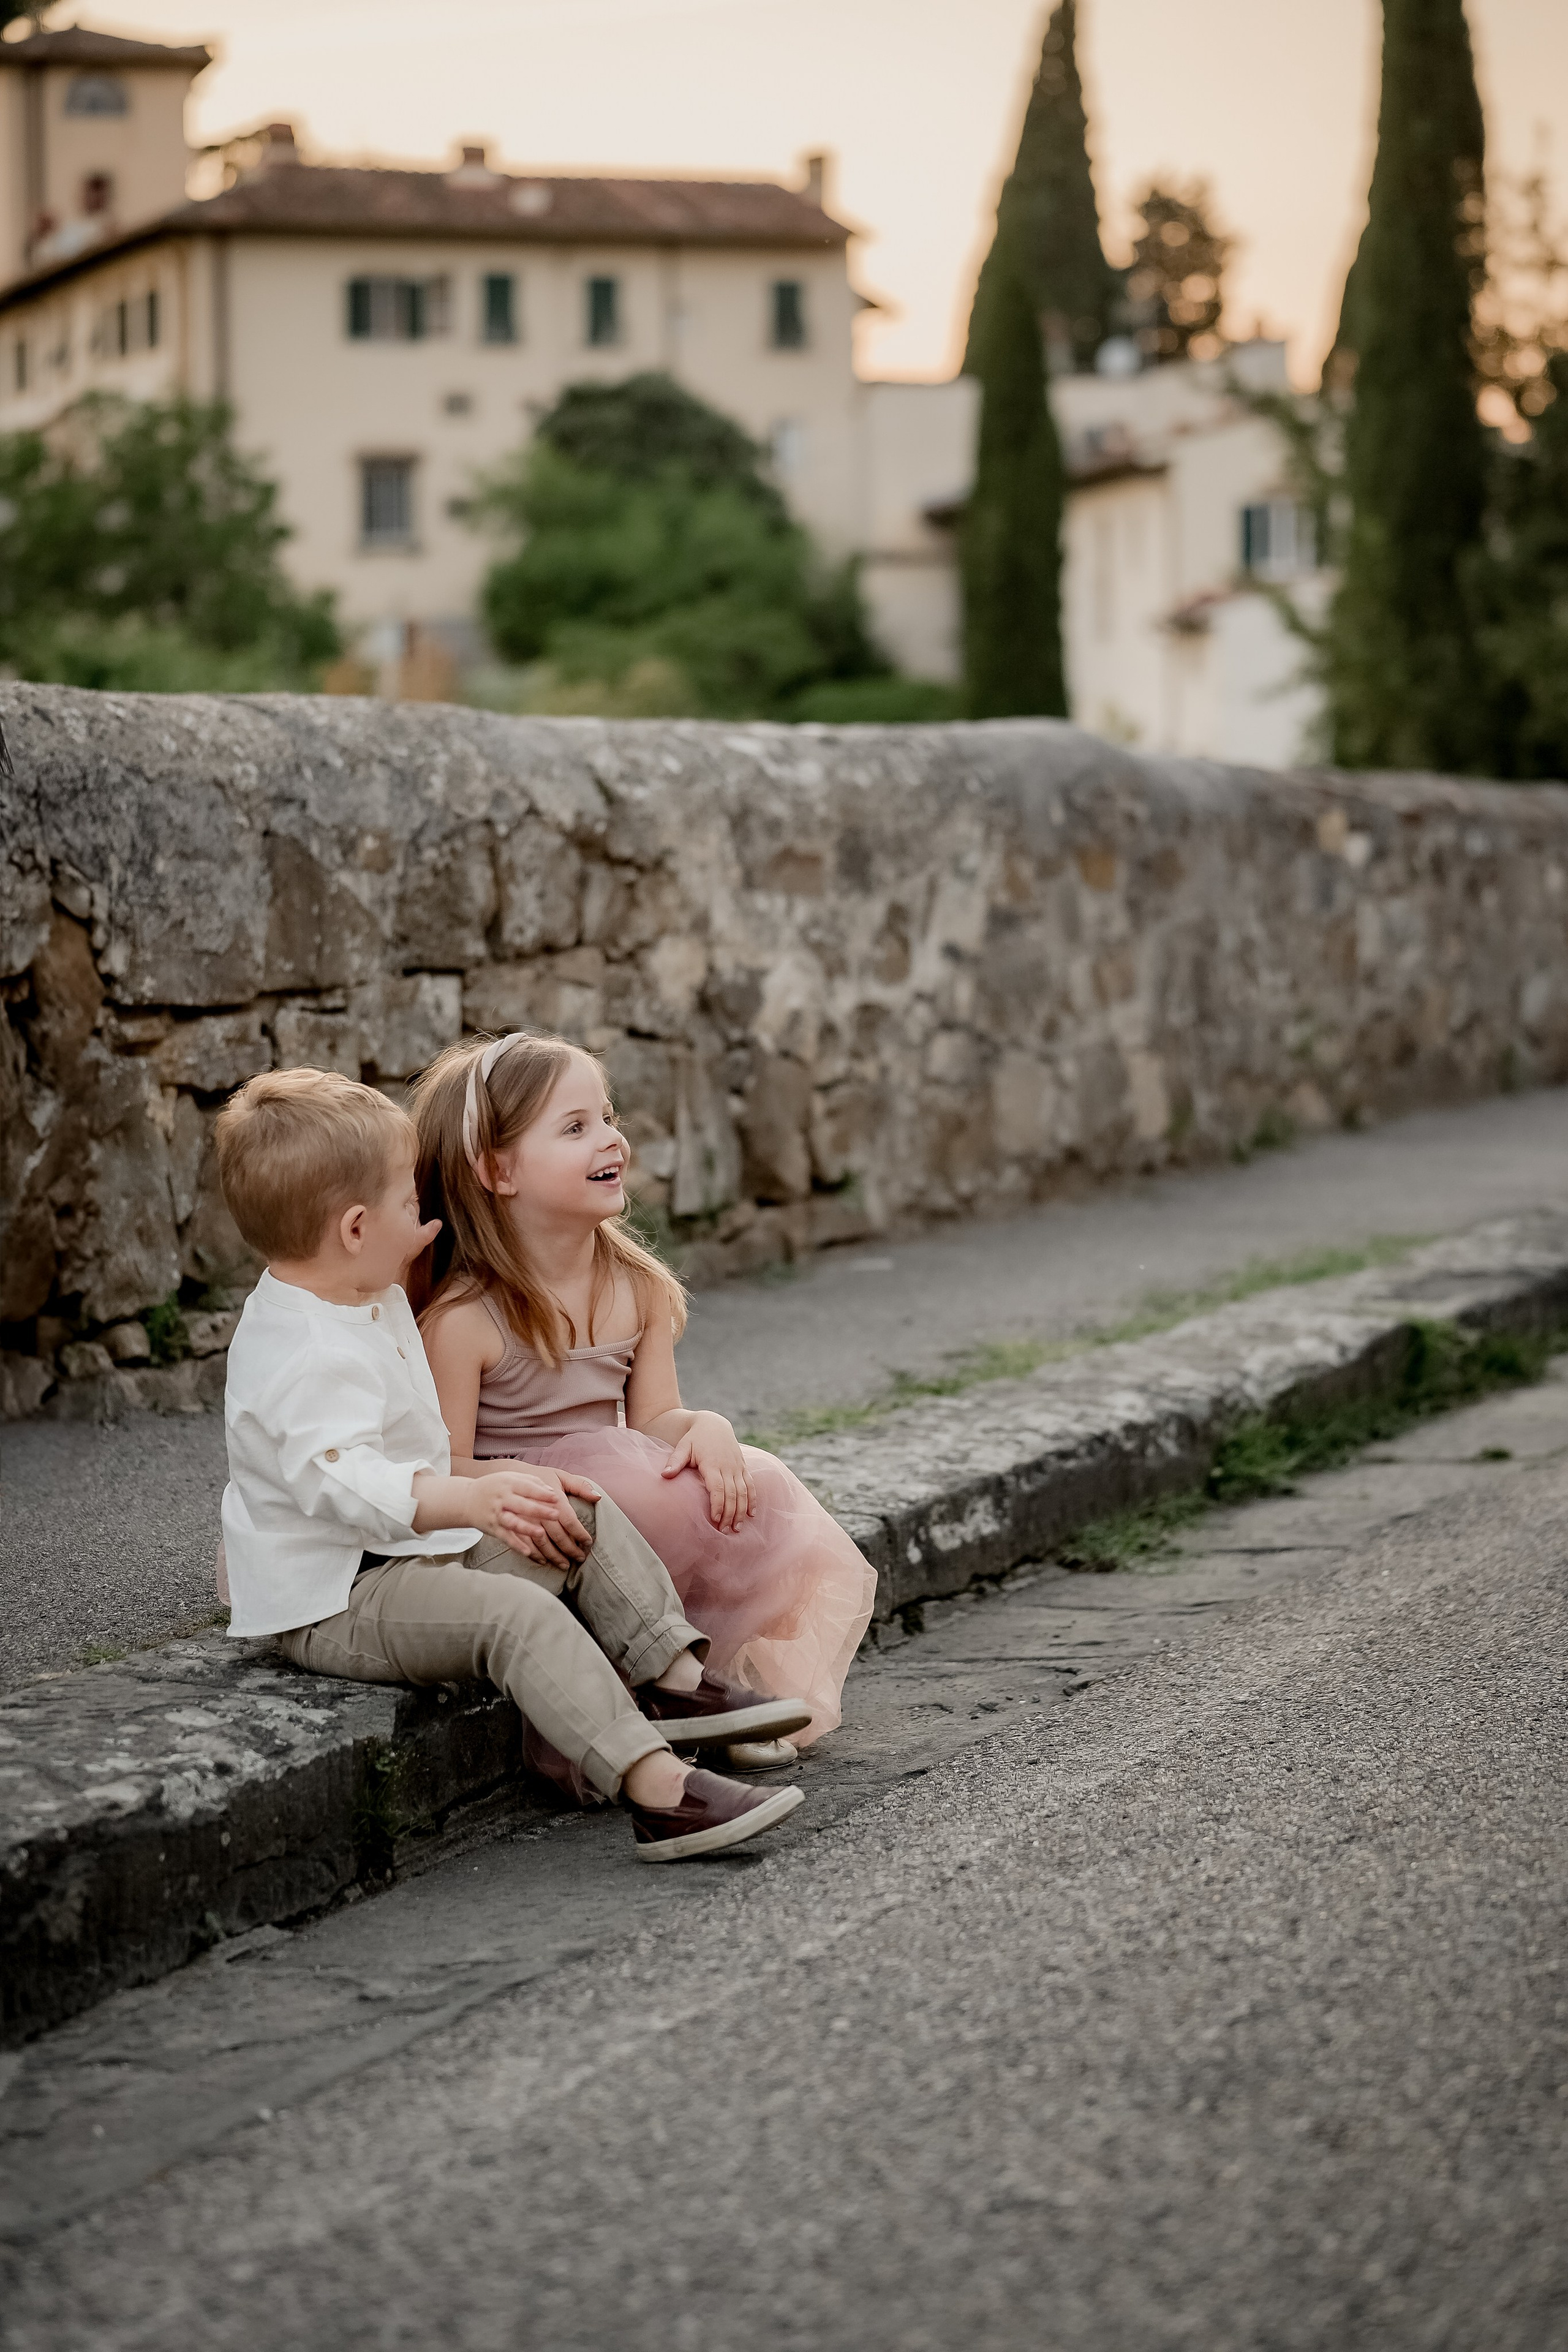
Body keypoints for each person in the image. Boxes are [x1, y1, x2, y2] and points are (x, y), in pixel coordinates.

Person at [212, 1065, 810, 1863]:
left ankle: (676, 1681)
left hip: (406, 1551)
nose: (426, 1218)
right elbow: (345, 1485)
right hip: (341, 1596)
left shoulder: (357, 1288)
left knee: (575, 1505)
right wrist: (472, 1499)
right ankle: (661, 1793)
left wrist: (502, 1487)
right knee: (514, 1615)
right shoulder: (304, 1353)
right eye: (410, 1204)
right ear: (356, 1229)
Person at [410, 1030, 876, 1765]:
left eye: (608, 1117)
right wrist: (535, 1483)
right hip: (525, 1512)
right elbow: (441, 1466)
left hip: (617, 1486)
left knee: (750, 1486)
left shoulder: (636, 1287)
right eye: (575, 1127)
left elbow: (655, 1417)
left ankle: (720, 1691)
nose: (611, 1140)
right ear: (498, 1170)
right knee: (640, 1500)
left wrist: (705, 1426)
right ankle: (646, 1704)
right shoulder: (466, 1318)